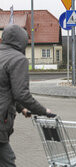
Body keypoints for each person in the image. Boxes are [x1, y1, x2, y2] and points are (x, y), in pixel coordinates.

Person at [0, 24, 56, 166]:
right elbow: (21, 94)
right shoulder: (18, 59)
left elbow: (5, 89)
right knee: (7, 161)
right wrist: (44, 111)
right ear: (21, 41)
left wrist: (21, 109)